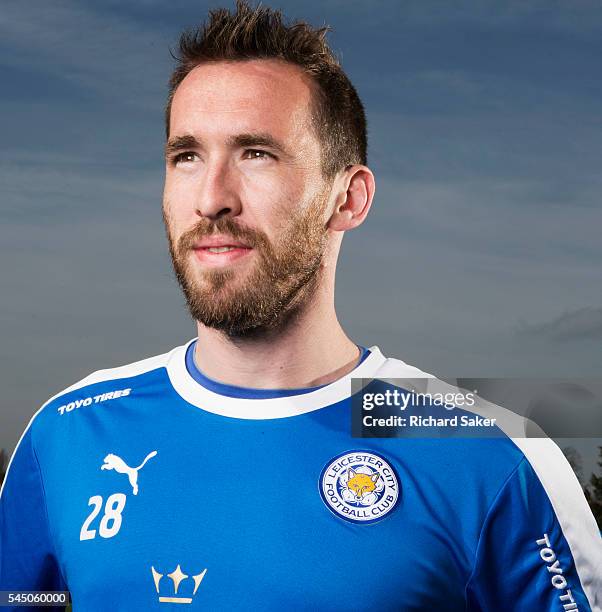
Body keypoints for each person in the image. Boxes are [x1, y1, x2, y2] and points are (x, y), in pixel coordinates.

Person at [1, 2, 600, 610]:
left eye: (256, 153)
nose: (212, 199)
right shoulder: (66, 433)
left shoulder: (490, 455)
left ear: (348, 198)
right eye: (187, 156)